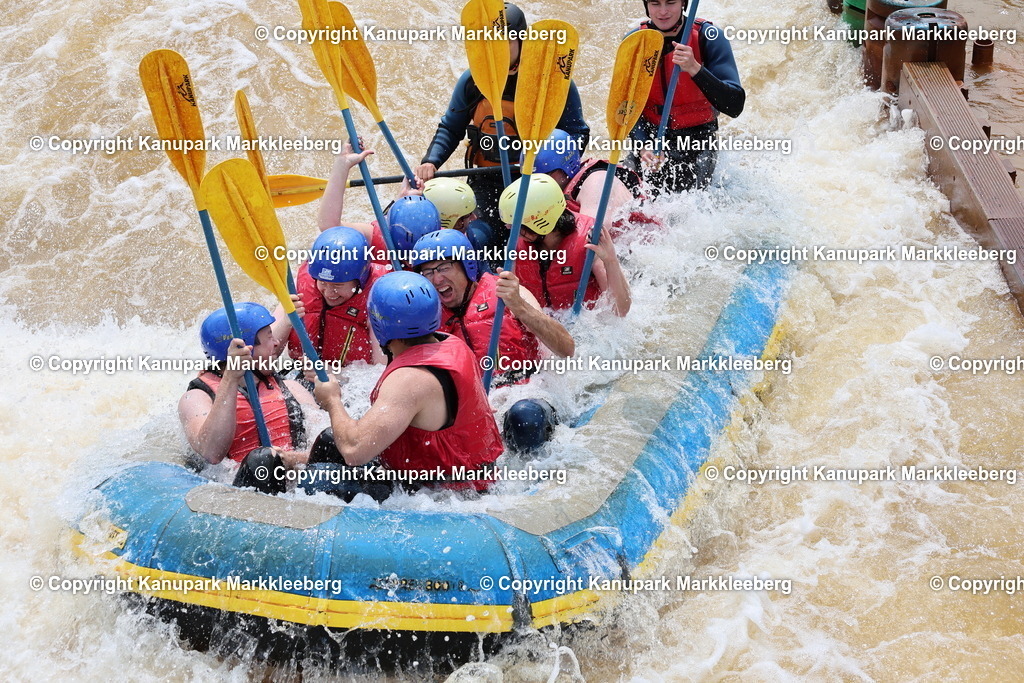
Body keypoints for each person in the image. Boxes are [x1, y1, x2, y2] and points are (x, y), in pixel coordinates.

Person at [415, 2, 590, 257]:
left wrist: (555, 165)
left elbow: (577, 133)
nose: (497, 51)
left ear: (522, 40)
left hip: (537, 182)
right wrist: (431, 161)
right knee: (477, 238)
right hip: (487, 180)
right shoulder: (472, 81)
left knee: (543, 242)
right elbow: (451, 128)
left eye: (505, 42)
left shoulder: (551, 80)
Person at [311, 271, 504, 499]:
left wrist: (332, 400)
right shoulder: (453, 344)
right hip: (471, 479)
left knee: (318, 478)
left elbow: (355, 452)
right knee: (329, 441)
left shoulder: (410, 379)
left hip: (444, 496)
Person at [412, 229, 574, 450]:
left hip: (528, 392)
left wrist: (520, 306)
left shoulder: (507, 294)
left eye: (443, 267)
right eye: (428, 272)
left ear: (467, 266)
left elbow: (566, 348)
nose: (436, 279)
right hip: (474, 405)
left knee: (524, 418)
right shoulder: (425, 317)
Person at [178, 303, 316, 492]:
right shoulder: (195, 398)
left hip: (298, 483)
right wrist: (230, 378)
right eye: (269, 337)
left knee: (328, 439)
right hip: (241, 489)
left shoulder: (292, 388)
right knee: (263, 460)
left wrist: (292, 460)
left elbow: (328, 447)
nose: (277, 343)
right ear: (246, 349)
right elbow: (211, 453)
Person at [625, 0, 745, 195]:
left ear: (683, 3)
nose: (663, 12)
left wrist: (695, 68)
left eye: (670, 2)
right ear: (647, 6)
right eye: (655, 4)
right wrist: (642, 145)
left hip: (697, 140)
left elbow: (734, 106)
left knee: (689, 204)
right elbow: (625, 105)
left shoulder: (709, 37)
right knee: (627, 195)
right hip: (651, 136)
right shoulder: (635, 42)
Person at [500, 174, 632, 316]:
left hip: (590, 326)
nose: (510, 229)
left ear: (542, 220)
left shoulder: (590, 239)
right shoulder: (515, 244)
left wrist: (610, 260)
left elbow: (620, 310)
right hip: (548, 327)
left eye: (517, 226)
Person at [275, 227, 387, 372]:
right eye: (322, 282)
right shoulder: (299, 285)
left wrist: (334, 374)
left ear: (360, 280)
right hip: (299, 371)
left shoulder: (378, 300)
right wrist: (286, 322)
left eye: (337, 285)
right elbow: (264, 356)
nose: (328, 292)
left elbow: (380, 373)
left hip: (347, 384)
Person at [317, 145, 434, 270]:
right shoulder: (379, 235)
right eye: (406, 253)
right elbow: (330, 227)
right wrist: (342, 165)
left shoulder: (442, 243)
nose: (410, 261)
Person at [531, 129, 659, 235]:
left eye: (545, 176)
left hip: (642, 250)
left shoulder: (597, 182)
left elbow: (595, 234)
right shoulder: (559, 188)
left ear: (566, 166)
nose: (537, 184)